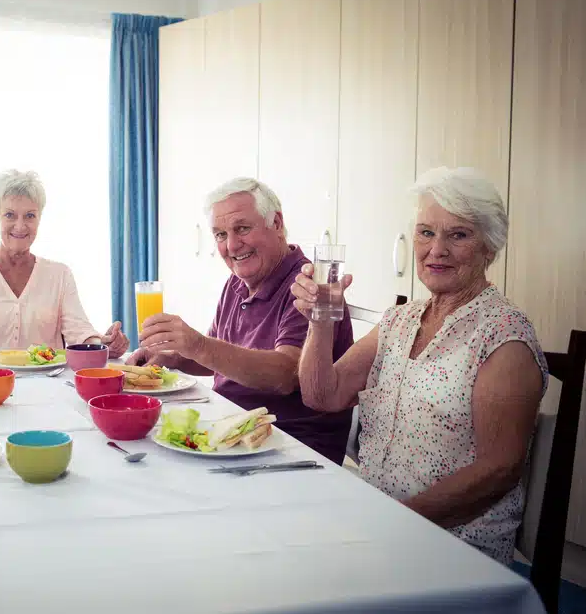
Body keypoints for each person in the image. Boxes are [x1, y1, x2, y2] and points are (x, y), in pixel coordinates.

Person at [293, 167, 547, 563]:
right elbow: (322, 395)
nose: (437, 249)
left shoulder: (504, 336)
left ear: (490, 247)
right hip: (375, 524)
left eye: (458, 235)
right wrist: (321, 320)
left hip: (453, 548)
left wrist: (391, 525)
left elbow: (499, 469)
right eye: (426, 232)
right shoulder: (399, 320)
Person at [127, 178, 354, 463]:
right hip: (230, 430)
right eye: (220, 235)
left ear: (276, 223)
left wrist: (198, 345)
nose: (232, 245)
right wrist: (173, 356)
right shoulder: (238, 281)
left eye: (243, 228)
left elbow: (286, 375)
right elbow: (219, 358)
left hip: (290, 447)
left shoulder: (307, 287)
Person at [0, 170, 129, 359]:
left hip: (47, 377)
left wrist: (103, 344)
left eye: (30, 215)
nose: (20, 226)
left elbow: (79, 331)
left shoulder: (59, 274)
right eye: (10, 215)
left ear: (39, 218)